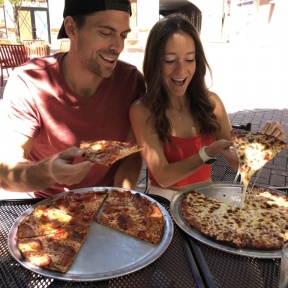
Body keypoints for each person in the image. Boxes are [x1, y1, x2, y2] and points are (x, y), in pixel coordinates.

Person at [129, 13, 286, 201]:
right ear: (154, 63)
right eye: (170, 60)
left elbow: (239, 162)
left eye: (189, 59)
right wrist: (208, 152)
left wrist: (263, 146)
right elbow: (163, 176)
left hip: (205, 202)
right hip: (162, 202)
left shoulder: (212, 104)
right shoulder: (142, 110)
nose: (180, 70)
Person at [0, 0, 146, 198]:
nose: (118, 46)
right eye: (106, 33)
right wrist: (50, 171)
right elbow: (5, 172)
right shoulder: (29, 82)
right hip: (49, 206)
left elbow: (131, 154)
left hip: (109, 199)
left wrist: (119, 200)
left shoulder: (131, 80)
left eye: (123, 35)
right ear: (71, 28)